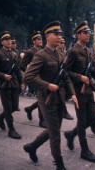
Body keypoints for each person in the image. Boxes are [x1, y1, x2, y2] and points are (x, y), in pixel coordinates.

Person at [23, 21, 78, 169]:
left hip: (59, 98)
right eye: (56, 34)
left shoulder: (60, 54)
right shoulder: (41, 55)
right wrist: (47, 85)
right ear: (47, 36)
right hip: (46, 99)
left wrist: (72, 93)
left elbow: (65, 75)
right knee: (55, 134)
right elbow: (28, 77)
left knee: (54, 129)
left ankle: (32, 146)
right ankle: (59, 164)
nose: (60, 37)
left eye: (60, 34)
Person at [63, 21, 95, 163]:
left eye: (88, 33)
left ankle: (71, 134)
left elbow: (93, 68)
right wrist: (80, 77)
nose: (88, 35)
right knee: (82, 121)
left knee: (91, 119)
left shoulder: (88, 50)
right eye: (85, 33)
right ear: (78, 34)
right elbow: (65, 71)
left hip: (88, 90)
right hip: (78, 90)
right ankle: (84, 150)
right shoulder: (73, 51)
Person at [0, 31, 22, 139]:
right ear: (2, 42)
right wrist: (3, 76)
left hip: (14, 83)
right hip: (4, 84)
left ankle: (1, 117)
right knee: (8, 108)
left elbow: (18, 70)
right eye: (6, 39)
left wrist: (21, 83)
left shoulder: (14, 54)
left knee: (15, 106)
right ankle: (11, 130)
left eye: (10, 39)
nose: (9, 41)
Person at [20, 31, 46, 128]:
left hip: (43, 77)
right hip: (35, 78)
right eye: (38, 39)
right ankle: (42, 120)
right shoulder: (30, 52)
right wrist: (31, 72)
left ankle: (30, 109)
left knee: (42, 97)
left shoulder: (43, 50)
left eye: (41, 39)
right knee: (42, 97)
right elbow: (22, 65)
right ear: (34, 41)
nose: (40, 41)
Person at [56, 38, 74, 120]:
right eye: (61, 42)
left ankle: (30, 108)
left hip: (64, 76)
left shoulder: (64, 52)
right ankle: (65, 112)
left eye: (63, 42)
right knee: (61, 97)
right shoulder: (56, 52)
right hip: (56, 78)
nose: (62, 44)